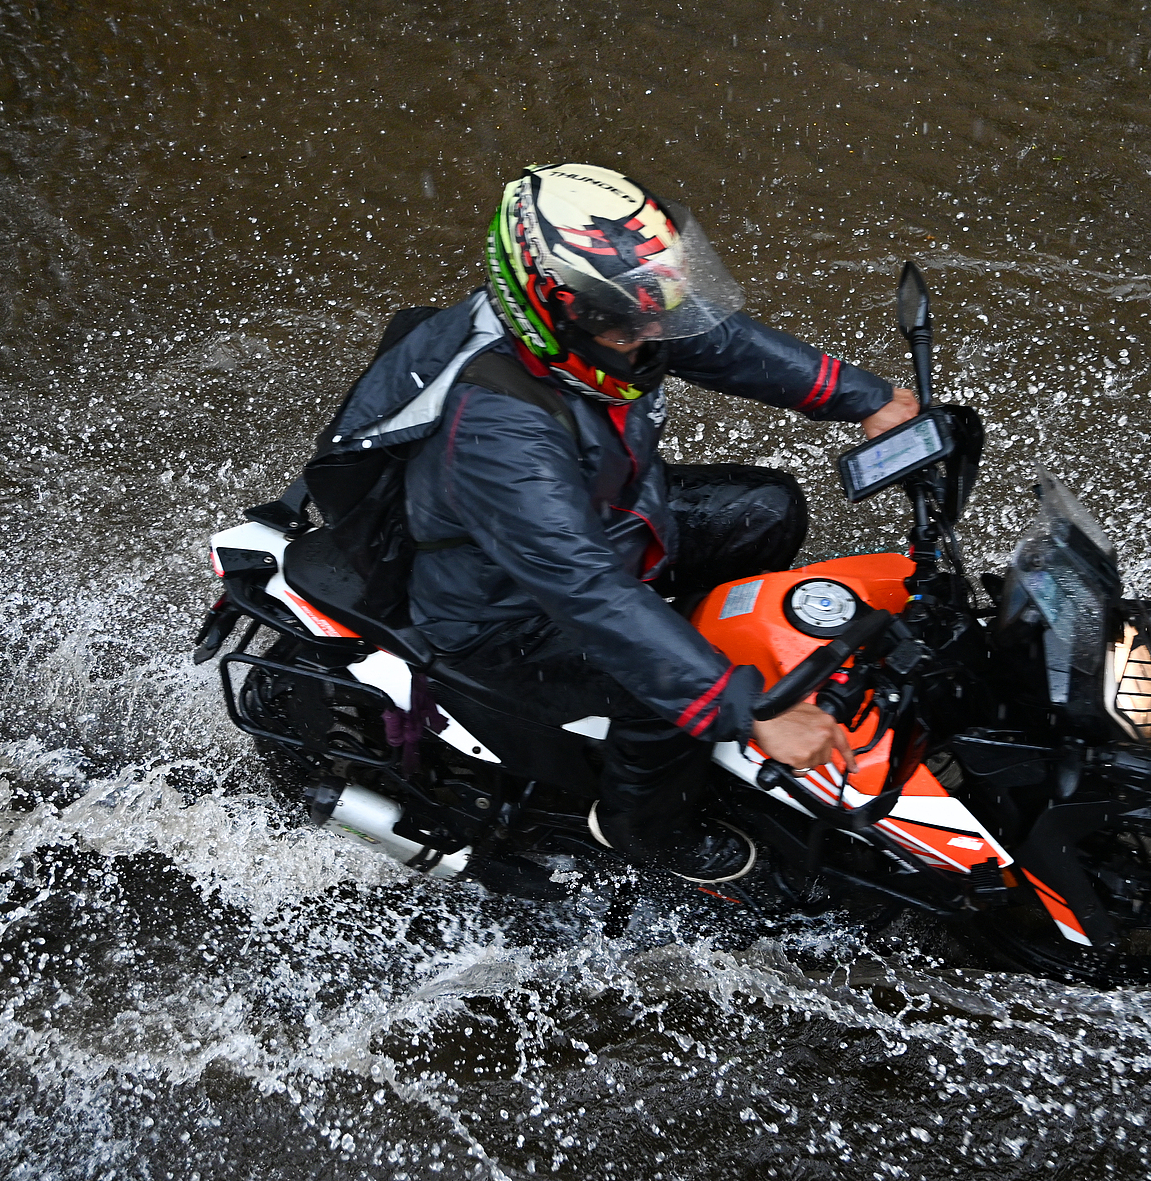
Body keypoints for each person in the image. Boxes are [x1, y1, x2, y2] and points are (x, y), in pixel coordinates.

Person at [310, 164, 917, 882]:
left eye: (661, 300)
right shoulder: (497, 428)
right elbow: (587, 592)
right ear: (555, 306)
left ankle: (692, 682)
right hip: (505, 614)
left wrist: (865, 398)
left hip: (604, 521)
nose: (658, 324)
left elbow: (713, 343)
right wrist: (744, 706)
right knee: (656, 683)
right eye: (638, 313)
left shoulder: (605, 321)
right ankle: (643, 826)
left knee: (767, 507)